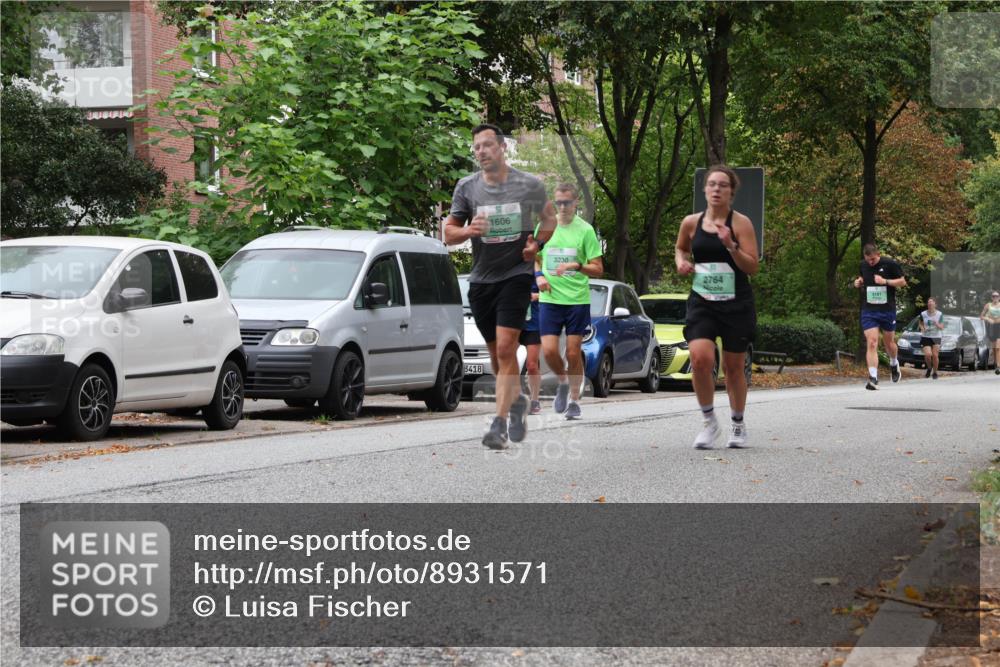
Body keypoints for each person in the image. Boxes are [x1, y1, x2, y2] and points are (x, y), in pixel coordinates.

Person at [443, 123, 556, 449]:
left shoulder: (529, 185)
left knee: (506, 349)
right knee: (497, 357)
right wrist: (468, 231)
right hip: (481, 281)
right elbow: (449, 234)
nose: (481, 151)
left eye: (487, 145)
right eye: (476, 147)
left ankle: (499, 423)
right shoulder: (467, 188)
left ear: (502, 147)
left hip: (516, 276)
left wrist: (537, 246)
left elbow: (548, 220)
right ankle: (516, 397)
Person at [674, 165, 759, 449]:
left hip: (736, 303)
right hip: (702, 301)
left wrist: (732, 246)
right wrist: (681, 263)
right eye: (712, 184)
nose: (716, 189)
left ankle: (737, 423)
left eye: (723, 185)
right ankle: (709, 422)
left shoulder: (741, 223)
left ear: (731, 192)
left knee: (734, 367)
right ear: (704, 190)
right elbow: (681, 248)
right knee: (700, 359)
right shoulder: (691, 222)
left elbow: (753, 266)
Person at [535, 182, 603, 420]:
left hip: (576, 299)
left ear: (576, 203)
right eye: (558, 202)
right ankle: (563, 382)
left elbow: (598, 269)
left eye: (567, 202)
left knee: (573, 354)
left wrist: (577, 266)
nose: (562, 206)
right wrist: (539, 275)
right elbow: (534, 257)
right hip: (550, 299)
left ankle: (574, 401)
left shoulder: (585, 231)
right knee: (550, 351)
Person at [852, 243, 907, 390]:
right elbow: (862, 278)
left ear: (878, 254)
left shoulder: (890, 264)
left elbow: (902, 281)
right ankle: (873, 378)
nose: (870, 263)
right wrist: (858, 282)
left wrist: (886, 281)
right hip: (869, 310)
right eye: (868, 260)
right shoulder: (863, 265)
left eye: (873, 260)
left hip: (887, 310)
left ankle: (894, 363)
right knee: (872, 342)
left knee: (889, 344)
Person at [522, 284, 543, 414]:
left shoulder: (540, 272)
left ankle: (534, 400)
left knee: (531, 365)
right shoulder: (509, 268)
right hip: (512, 322)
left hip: (533, 324)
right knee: (506, 359)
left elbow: (555, 293)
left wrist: (537, 296)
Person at [918, 297, 944, 379]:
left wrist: (937, 324)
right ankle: (929, 368)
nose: (930, 305)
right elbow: (920, 323)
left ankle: (935, 372)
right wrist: (922, 328)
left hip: (936, 336)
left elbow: (942, 327)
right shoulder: (923, 314)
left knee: (935, 355)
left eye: (931, 303)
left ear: (935, 305)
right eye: (929, 303)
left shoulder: (939, 314)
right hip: (926, 336)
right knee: (928, 354)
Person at [981, 290, 1000, 375]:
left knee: (998, 347)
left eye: (997, 296)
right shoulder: (988, 305)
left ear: (999, 297)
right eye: (993, 296)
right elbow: (981, 316)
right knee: (994, 348)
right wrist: (988, 319)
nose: (995, 297)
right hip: (992, 327)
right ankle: (996, 364)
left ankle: (998, 366)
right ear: (991, 298)